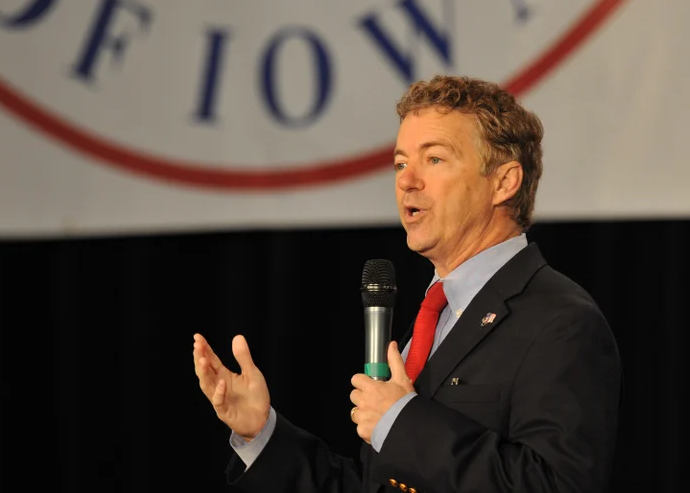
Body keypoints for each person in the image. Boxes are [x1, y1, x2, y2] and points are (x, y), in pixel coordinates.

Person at [192, 74, 623, 493]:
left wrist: (401, 423)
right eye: (400, 163)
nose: (406, 181)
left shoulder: (561, 322)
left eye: (434, 159)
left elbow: (554, 483)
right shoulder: (433, 319)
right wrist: (262, 434)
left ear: (503, 182)